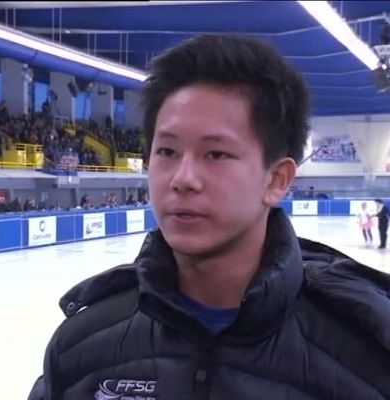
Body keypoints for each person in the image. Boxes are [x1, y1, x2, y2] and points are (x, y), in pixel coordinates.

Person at [29, 34, 390, 400]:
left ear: (277, 179)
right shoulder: (80, 347)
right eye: (167, 151)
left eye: (215, 155)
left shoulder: (366, 357)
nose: (183, 178)